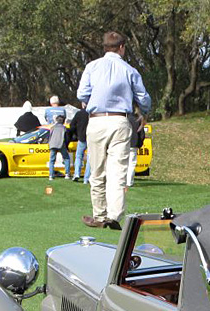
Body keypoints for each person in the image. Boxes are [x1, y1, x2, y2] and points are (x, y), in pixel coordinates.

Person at [76, 31, 153, 229]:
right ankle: (115, 215)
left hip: (97, 121)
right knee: (118, 171)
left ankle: (99, 215)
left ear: (104, 48)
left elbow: (82, 93)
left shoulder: (92, 67)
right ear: (121, 47)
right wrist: (143, 112)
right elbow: (143, 97)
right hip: (120, 121)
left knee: (97, 171)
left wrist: (89, 101)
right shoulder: (129, 70)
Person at [47, 113, 71, 180]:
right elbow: (66, 138)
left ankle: (51, 175)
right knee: (66, 158)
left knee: (52, 160)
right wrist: (66, 146)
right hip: (61, 144)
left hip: (52, 144)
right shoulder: (64, 128)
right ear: (63, 121)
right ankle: (67, 174)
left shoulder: (52, 128)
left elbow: (50, 136)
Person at [71, 102, 89, 182]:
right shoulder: (93, 114)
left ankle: (77, 174)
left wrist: (76, 134)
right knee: (90, 158)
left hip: (81, 137)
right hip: (91, 138)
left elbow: (72, 125)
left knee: (78, 156)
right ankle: (87, 178)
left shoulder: (79, 114)